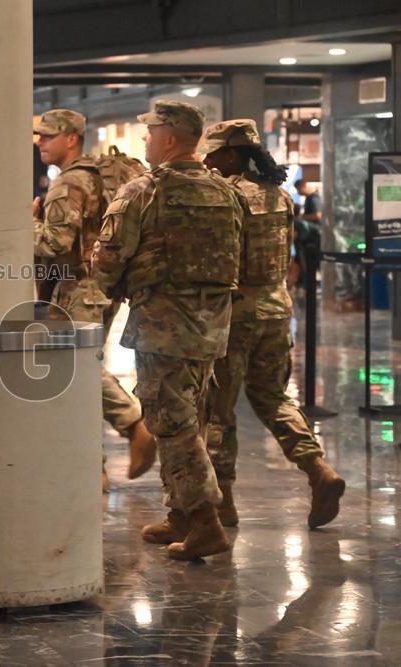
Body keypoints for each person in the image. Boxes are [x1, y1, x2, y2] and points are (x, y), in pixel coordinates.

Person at [91, 100, 244, 561]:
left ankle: (205, 521)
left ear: (170, 138)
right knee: (191, 415)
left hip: (163, 324)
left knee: (171, 423)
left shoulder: (144, 190)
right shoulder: (225, 191)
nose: (145, 139)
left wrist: (113, 288)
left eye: (151, 131)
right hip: (212, 325)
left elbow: (108, 260)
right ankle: (179, 513)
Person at [200, 119, 345, 529]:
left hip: (234, 313)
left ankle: (223, 502)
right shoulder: (280, 196)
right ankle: (318, 470)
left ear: (232, 154)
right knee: (273, 398)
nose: (207, 162)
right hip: (276, 310)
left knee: (218, 409)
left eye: (213, 153)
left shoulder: (226, 195)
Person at [32, 108, 156, 490]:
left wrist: (26, 222)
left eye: (48, 136)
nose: (39, 142)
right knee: (77, 378)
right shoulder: (100, 177)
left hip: (77, 289)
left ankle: (132, 424)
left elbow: (56, 244)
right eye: (39, 135)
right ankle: (94, 467)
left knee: (78, 368)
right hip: (102, 286)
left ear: (72, 138)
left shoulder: (70, 181)